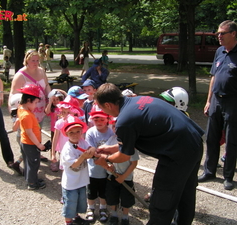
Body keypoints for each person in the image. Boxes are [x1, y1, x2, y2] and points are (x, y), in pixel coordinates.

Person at [93, 83, 204, 225]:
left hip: (177, 154)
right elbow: (130, 142)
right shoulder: (138, 100)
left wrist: (105, 158)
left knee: (162, 199)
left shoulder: (124, 121)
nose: (105, 113)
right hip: (194, 142)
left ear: (108, 105)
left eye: (102, 108)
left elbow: (124, 157)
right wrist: (109, 149)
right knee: (185, 192)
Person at [198, 20, 237, 191]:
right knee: (211, 138)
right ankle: (209, 171)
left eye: (222, 33)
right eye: (218, 33)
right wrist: (208, 101)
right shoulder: (219, 51)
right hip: (216, 101)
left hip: (233, 102)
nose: (218, 36)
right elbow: (213, 77)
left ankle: (228, 176)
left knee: (231, 141)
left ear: (233, 33)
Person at [9, 49, 51, 162]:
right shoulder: (20, 75)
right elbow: (13, 94)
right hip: (27, 110)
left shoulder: (41, 71)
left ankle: (37, 151)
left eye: (37, 60)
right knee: (23, 132)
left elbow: (46, 85)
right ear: (27, 60)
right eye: (33, 60)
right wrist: (13, 112)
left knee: (37, 129)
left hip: (40, 108)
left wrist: (50, 97)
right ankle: (25, 152)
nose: (36, 63)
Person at [60, 115, 95, 225]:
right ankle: (68, 221)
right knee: (70, 202)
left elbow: (90, 148)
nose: (75, 135)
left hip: (81, 180)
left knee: (80, 201)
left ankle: (76, 217)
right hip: (70, 183)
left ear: (81, 132)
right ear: (66, 134)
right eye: (71, 132)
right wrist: (83, 156)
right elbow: (74, 165)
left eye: (77, 131)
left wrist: (92, 150)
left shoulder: (82, 142)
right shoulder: (67, 149)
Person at [104, 117, 139, 225]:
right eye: (114, 126)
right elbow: (106, 156)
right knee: (112, 196)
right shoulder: (110, 140)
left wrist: (123, 177)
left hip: (126, 177)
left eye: (119, 126)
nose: (116, 128)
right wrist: (108, 164)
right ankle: (114, 215)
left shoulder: (130, 143)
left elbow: (134, 163)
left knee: (126, 199)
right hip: (112, 175)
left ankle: (125, 217)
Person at [85, 106, 113, 223]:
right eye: (96, 120)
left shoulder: (112, 132)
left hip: (107, 169)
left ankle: (103, 208)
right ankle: (90, 208)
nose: (99, 122)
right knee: (91, 191)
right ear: (92, 120)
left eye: (102, 119)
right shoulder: (90, 132)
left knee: (104, 191)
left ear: (107, 119)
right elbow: (91, 150)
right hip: (92, 169)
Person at [17, 84, 48, 190]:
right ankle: (32, 183)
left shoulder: (21, 108)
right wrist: (39, 145)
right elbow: (30, 133)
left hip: (25, 142)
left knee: (28, 161)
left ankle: (29, 178)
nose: (36, 106)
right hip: (30, 144)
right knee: (34, 163)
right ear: (29, 100)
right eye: (35, 103)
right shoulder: (27, 115)